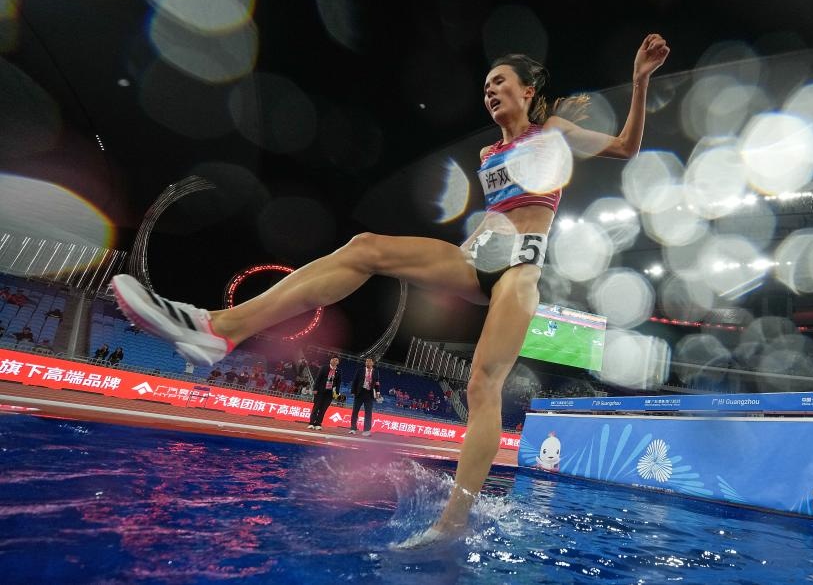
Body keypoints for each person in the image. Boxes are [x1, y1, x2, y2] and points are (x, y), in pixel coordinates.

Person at [108, 33, 668, 545]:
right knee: (365, 246)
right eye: (485, 86)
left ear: (527, 91)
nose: (490, 91)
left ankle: (451, 525)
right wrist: (464, 258)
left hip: (519, 272)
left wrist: (639, 81)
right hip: (476, 259)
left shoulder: (555, 133)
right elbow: (497, 215)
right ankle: (219, 329)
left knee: (483, 386)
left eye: (500, 81)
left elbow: (625, 147)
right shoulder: (488, 156)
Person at [308, 356, 342, 430]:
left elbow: (338, 382)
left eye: (336, 360)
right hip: (320, 391)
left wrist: (337, 392)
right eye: (333, 359)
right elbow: (318, 378)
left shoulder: (338, 371)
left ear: (338, 362)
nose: (334, 361)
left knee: (323, 409)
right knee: (316, 407)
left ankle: (318, 424)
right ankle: (311, 423)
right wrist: (315, 389)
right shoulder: (324, 368)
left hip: (330, 393)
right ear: (330, 360)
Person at [349, 358, 380, 436]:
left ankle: (366, 430)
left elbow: (377, 383)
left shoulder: (376, 372)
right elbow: (355, 380)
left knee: (368, 413)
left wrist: (378, 392)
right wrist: (353, 391)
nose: (367, 362)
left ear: (373, 363)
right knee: (355, 411)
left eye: (369, 361)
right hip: (360, 392)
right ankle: (353, 428)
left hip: (369, 394)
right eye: (366, 361)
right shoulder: (360, 370)